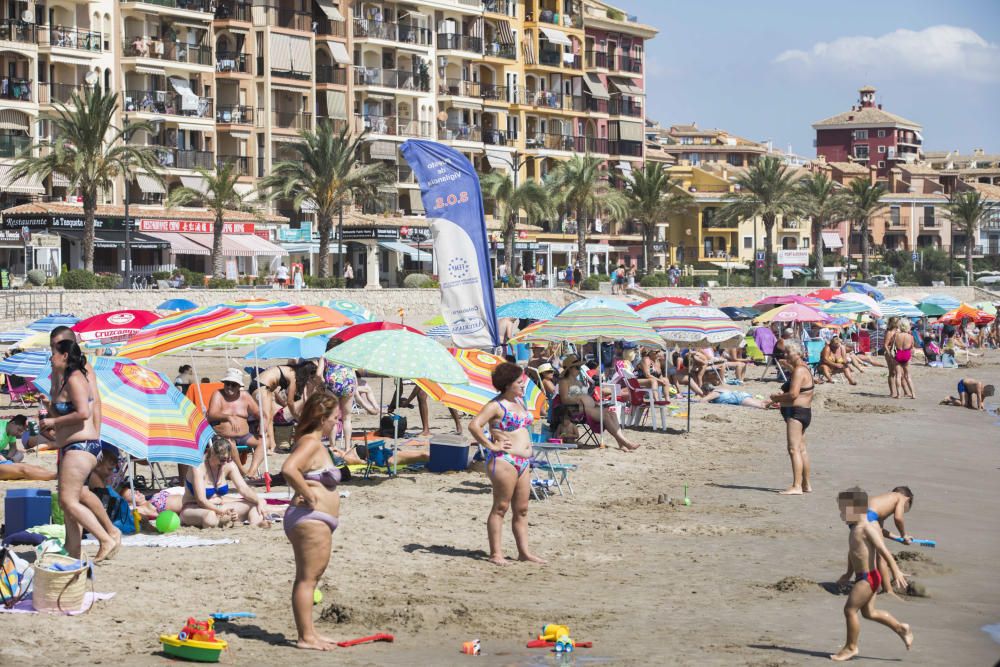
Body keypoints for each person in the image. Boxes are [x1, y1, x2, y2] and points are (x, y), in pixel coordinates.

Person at [41, 338, 119, 561]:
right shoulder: (64, 380)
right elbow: (68, 415)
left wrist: (54, 422)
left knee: (68, 501)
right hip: (72, 446)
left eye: (53, 352)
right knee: (71, 502)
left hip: (82, 447)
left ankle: (106, 537)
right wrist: (50, 411)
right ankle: (74, 554)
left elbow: (84, 413)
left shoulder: (76, 378)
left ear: (64, 355)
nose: (50, 357)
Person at [281, 393, 344, 650]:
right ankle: (306, 637)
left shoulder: (315, 443)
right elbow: (288, 469)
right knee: (307, 579)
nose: (337, 424)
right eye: (335, 419)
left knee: (310, 578)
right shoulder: (311, 443)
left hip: (315, 520)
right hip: (310, 519)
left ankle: (310, 633)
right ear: (322, 419)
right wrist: (308, 495)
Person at [469, 362, 546, 566]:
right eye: (519, 382)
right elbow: (474, 425)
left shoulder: (520, 402)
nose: (523, 385)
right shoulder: (496, 405)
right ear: (507, 384)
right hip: (505, 460)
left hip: (524, 460)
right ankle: (496, 553)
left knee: (522, 509)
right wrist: (490, 445)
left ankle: (524, 552)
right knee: (501, 507)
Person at [832, 487, 913, 662]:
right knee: (869, 613)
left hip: (868, 579)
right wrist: (847, 573)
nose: (842, 515)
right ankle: (901, 628)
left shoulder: (867, 528)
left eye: (844, 511)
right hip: (866, 577)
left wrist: (895, 570)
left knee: (849, 610)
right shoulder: (855, 529)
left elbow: (883, 551)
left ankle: (851, 647)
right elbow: (854, 553)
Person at [180, 436, 269, 528]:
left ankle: (255, 525)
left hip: (220, 507)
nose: (225, 463)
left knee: (255, 504)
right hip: (195, 508)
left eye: (228, 459)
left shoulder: (228, 465)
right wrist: (223, 512)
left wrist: (258, 501)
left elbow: (244, 488)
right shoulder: (198, 467)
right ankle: (224, 520)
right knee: (210, 517)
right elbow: (201, 500)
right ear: (213, 454)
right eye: (222, 459)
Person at [557, 355, 638, 451]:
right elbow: (564, 399)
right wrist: (580, 400)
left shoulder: (578, 381)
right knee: (606, 415)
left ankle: (621, 443)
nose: (579, 370)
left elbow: (586, 394)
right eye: (577, 367)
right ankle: (624, 442)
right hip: (575, 409)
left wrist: (592, 400)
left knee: (612, 413)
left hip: (587, 406)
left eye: (579, 367)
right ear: (570, 369)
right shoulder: (564, 382)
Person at [769, 341, 813, 495]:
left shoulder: (799, 371)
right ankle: (806, 484)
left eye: (788, 353)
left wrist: (776, 398)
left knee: (793, 449)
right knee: (802, 449)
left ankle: (797, 486)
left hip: (797, 413)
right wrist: (788, 366)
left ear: (798, 353)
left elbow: (793, 394)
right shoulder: (803, 368)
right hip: (805, 412)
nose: (786, 355)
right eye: (785, 353)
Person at [206, 369, 263, 478]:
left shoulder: (245, 396)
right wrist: (228, 417)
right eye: (227, 384)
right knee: (229, 443)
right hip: (223, 436)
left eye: (234, 384)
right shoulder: (218, 394)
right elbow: (212, 414)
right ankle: (242, 471)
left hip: (244, 436)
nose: (230, 387)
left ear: (239, 386)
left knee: (264, 442)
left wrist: (262, 422)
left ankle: (252, 471)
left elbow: (259, 413)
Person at [252, 361, 317, 453]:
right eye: (310, 377)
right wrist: (295, 415)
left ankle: (272, 446)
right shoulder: (293, 377)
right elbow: (290, 402)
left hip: (261, 384)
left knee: (269, 418)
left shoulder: (289, 370)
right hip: (262, 386)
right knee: (266, 418)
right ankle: (263, 446)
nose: (309, 379)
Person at [319, 338, 359, 445]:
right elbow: (353, 373)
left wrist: (323, 383)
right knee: (347, 418)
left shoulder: (325, 356)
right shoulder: (348, 356)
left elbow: (318, 374)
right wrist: (355, 388)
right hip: (349, 383)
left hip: (333, 385)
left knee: (333, 417)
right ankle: (347, 447)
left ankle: (333, 446)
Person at [0, 414, 56, 481]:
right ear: (13, 423)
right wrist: (6, 462)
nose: (19, 433)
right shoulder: (1, 430)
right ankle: (57, 477)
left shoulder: (10, 430)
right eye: (19, 430)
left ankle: (57, 474)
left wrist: (8, 460)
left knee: (28, 465)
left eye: (21, 431)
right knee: (24, 470)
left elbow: (13, 448)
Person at [893, 320, 916, 399]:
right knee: (907, 375)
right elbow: (912, 347)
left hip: (898, 353)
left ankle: (899, 394)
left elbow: (893, 345)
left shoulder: (896, 335)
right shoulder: (910, 336)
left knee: (898, 375)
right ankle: (913, 394)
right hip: (906, 354)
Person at [700, 385, 771, 409]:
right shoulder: (719, 389)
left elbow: (702, 401)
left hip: (740, 399)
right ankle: (777, 403)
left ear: (706, 391)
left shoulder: (714, 393)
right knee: (762, 402)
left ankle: (777, 401)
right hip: (741, 395)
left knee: (762, 406)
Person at [882, 317, 901, 398]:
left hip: (897, 352)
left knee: (898, 373)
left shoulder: (898, 331)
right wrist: (890, 355)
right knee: (892, 373)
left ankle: (899, 392)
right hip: (890, 353)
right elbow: (885, 345)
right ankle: (892, 392)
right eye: (898, 322)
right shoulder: (889, 332)